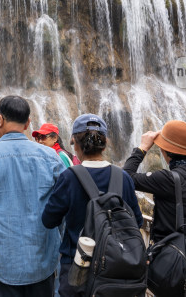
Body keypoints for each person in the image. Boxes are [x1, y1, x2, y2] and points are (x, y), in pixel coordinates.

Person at [0, 96, 65, 297]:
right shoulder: (51, 157)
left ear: (0, 119)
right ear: (28, 123)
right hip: (43, 260)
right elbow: (64, 205)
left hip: (1, 259)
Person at [41, 114, 144, 297]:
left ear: (75, 142)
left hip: (77, 267)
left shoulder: (69, 177)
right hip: (117, 269)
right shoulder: (123, 178)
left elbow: (49, 219)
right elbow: (137, 222)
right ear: (105, 143)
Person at [123, 120, 186, 297]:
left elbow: (126, 176)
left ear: (167, 152)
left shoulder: (168, 179)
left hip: (176, 259)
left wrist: (142, 148)